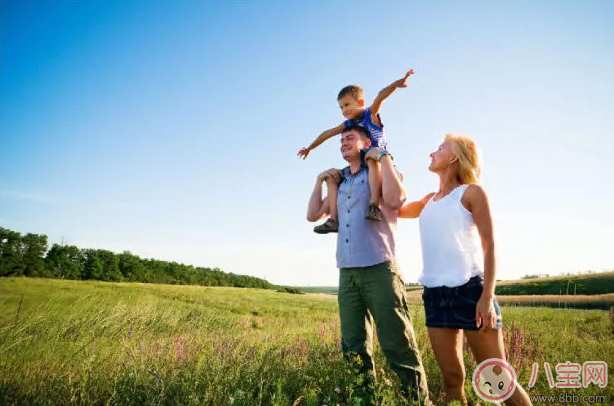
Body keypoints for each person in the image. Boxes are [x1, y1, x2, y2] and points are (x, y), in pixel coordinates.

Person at [398, 134, 532, 406]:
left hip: (471, 293)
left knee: (499, 381)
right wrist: (391, 177)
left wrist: (486, 298)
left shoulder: (472, 193)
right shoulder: (427, 201)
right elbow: (394, 210)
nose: (431, 153)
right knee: (451, 380)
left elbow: (490, 246)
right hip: (435, 296)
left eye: (439, 149)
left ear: (454, 158)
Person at [306, 125, 430, 405]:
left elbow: (397, 200)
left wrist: (382, 156)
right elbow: (313, 214)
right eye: (340, 140)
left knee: (397, 342)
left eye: (349, 138)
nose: (343, 143)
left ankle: (417, 401)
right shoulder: (341, 182)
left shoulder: (379, 171)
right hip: (347, 272)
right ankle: (364, 399)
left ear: (366, 142)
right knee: (353, 346)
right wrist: (319, 180)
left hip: (379, 268)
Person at [299, 69, 414, 234]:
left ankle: (373, 205)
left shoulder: (369, 114)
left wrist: (398, 83)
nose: (344, 110)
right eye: (341, 108)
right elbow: (328, 133)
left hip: (377, 158)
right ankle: (333, 219)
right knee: (332, 178)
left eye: (347, 105)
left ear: (360, 103)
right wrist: (310, 147)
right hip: (361, 163)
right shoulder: (348, 124)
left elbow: (381, 96)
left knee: (370, 159)